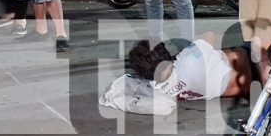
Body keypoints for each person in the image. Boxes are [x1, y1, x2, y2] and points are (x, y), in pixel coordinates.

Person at [100, 33, 252, 116]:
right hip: (246, 62)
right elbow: (210, 35)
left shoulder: (161, 91)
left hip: (240, 88)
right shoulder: (188, 59)